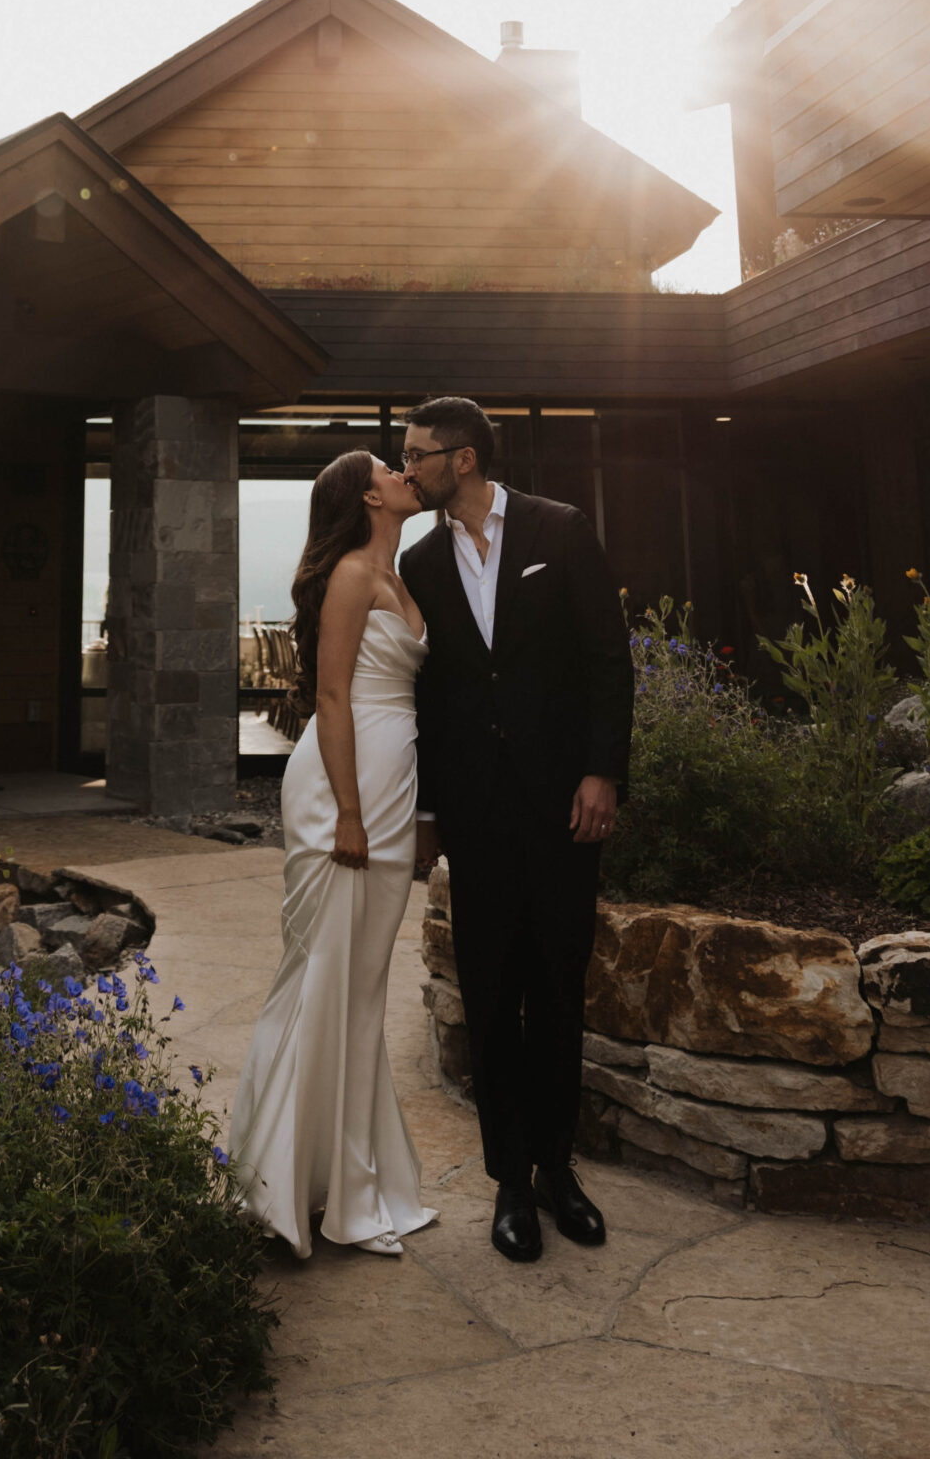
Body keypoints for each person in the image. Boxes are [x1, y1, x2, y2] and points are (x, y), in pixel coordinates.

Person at [399, 396, 632, 1266]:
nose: (407, 465)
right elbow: (426, 697)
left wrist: (602, 772)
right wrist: (427, 812)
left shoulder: (560, 529)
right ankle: (508, 1182)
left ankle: (556, 1171)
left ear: (462, 459)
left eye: (418, 454)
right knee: (492, 994)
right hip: (476, 814)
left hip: (566, 808)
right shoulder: (419, 562)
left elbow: (608, 658)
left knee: (559, 992)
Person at [228, 450, 438, 1258]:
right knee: (321, 974)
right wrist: (348, 812)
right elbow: (329, 695)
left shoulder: (403, 570)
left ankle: (346, 1179)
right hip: (341, 789)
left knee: (361, 988)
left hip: (392, 780)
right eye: (390, 468)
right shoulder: (352, 573)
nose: (403, 472)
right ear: (366, 497)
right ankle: (278, 1181)